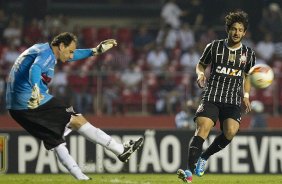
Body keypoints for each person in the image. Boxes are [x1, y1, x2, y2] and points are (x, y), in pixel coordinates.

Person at [5, 32, 144, 180]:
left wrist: (95, 51)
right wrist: (36, 90)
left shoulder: (42, 50)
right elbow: (35, 69)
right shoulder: (47, 55)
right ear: (61, 46)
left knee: (54, 139)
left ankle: (81, 177)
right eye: (70, 51)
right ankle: (119, 150)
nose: (71, 56)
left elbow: (70, 55)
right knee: (76, 119)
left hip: (16, 108)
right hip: (31, 100)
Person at [177, 11, 256, 183]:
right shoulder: (214, 47)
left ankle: (204, 157)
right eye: (234, 29)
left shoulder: (249, 54)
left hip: (233, 99)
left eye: (240, 30)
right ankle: (189, 173)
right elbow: (200, 64)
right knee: (202, 129)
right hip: (212, 95)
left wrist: (246, 95)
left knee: (230, 131)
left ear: (244, 32)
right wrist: (200, 75)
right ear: (228, 29)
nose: (236, 33)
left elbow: (248, 76)